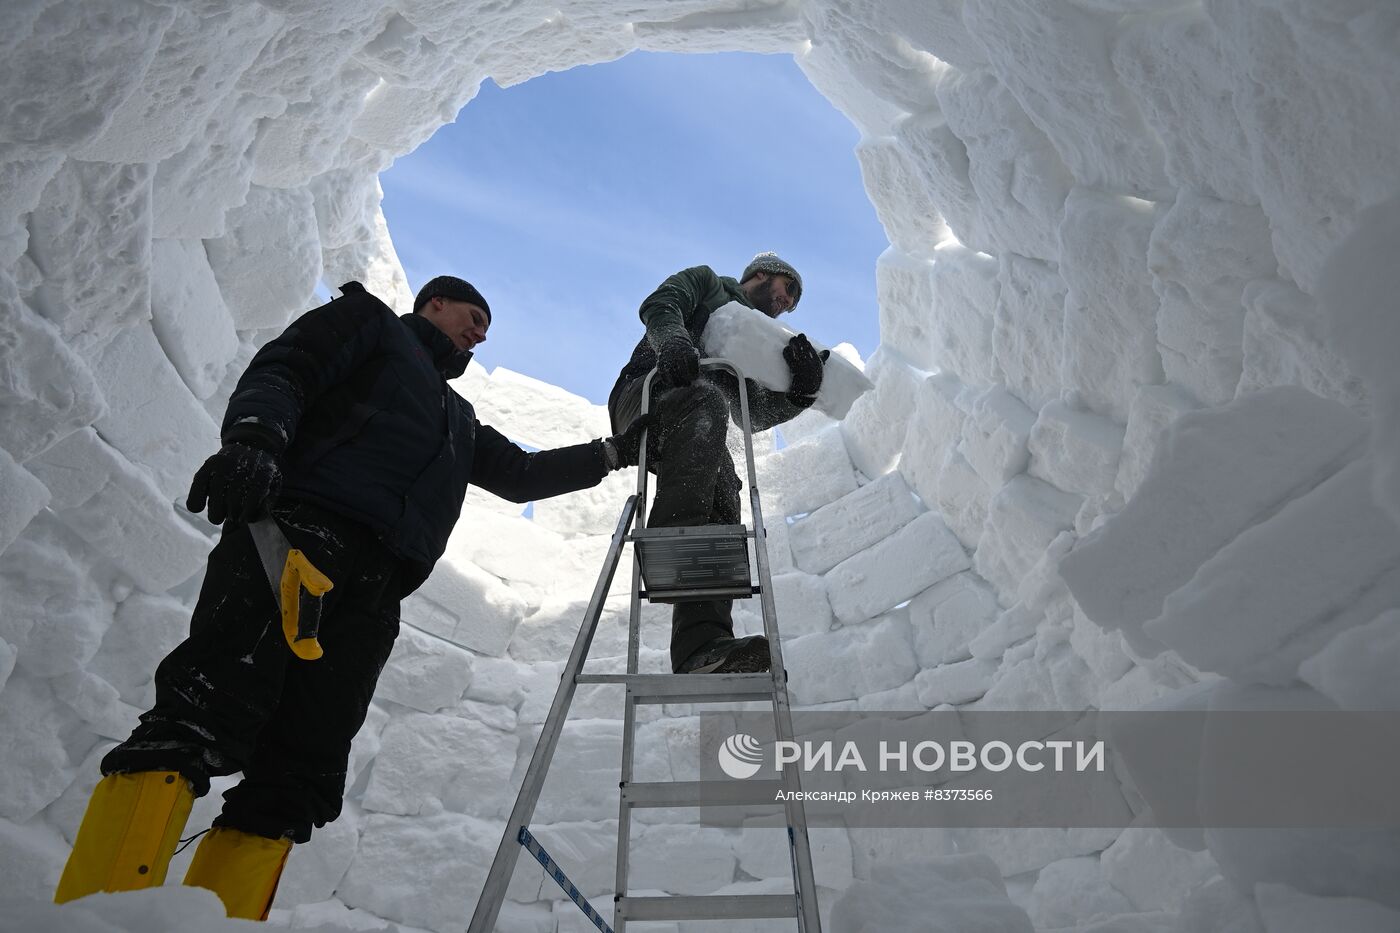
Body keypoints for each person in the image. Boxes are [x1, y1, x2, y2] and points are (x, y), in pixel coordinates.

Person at [54, 276, 650, 920]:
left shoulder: (458, 419)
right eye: (472, 317)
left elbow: (521, 475)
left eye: (485, 329)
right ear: (434, 304)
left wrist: (615, 452)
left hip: (378, 588)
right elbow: (288, 369)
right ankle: (95, 911)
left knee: (301, 774)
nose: (478, 334)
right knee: (207, 706)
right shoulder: (368, 324)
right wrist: (253, 441)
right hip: (298, 534)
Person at [608, 252, 828, 676]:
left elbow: (751, 414)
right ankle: (671, 548)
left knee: (725, 486)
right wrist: (672, 340)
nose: (787, 304)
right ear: (762, 274)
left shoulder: (754, 341)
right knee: (706, 400)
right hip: (644, 397)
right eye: (787, 290)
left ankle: (703, 646)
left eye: (793, 303)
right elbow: (661, 303)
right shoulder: (708, 284)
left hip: (693, 430)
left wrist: (800, 394)